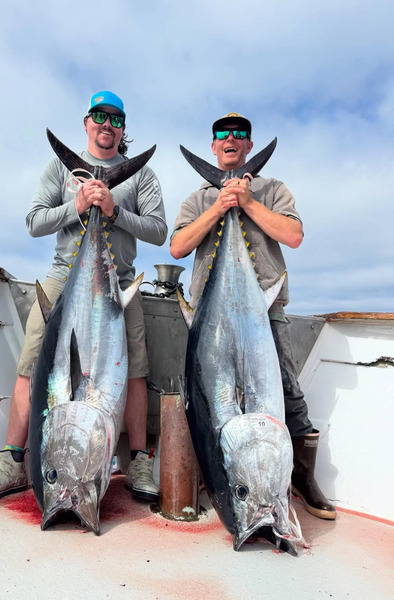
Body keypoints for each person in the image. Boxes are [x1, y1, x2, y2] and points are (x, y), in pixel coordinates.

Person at [0, 91, 167, 505]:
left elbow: (159, 231)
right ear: (87, 122)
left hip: (120, 283)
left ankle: (139, 460)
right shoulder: (59, 167)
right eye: (99, 116)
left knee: (135, 368)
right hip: (64, 277)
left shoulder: (142, 176)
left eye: (116, 119)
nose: (107, 125)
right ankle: (13, 461)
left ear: (123, 129)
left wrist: (113, 210)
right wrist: (78, 203)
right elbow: (34, 222)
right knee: (31, 361)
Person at [170, 112, 336, 520]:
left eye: (240, 133)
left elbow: (293, 236)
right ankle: (219, 473)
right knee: (211, 395)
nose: (231, 138)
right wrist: (220, 206)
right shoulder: (197, 199)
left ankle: (301, 477)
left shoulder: (273, 189)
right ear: (214, 146)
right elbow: (177, 247)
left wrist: (246, 201)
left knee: (288, 392)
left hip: (264, 308)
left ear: (248, 144)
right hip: (210, 317)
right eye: (222, 134)